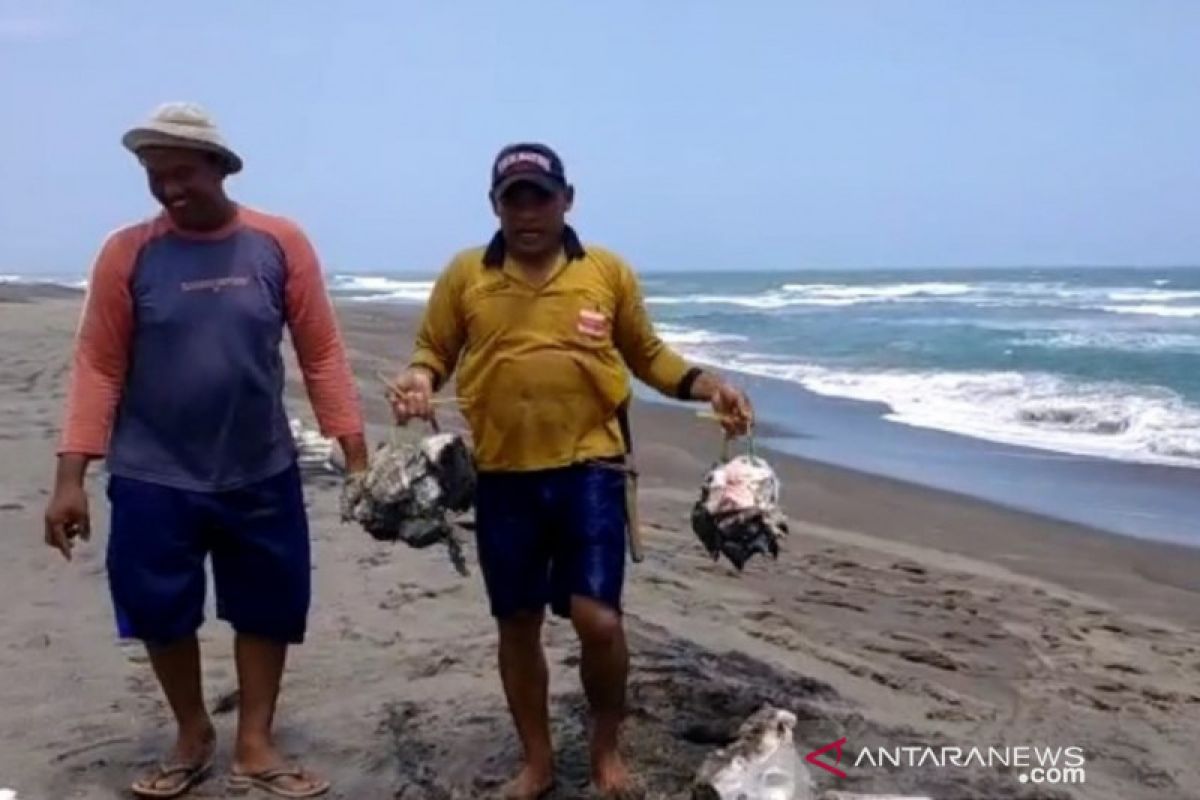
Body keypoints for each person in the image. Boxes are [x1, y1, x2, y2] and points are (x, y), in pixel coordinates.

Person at [388, 143, 753, 799]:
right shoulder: (465, 274)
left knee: (599, 619)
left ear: (566, 199)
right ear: (495, 205)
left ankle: (606, 750)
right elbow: (432, 352)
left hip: (591, 469)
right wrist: (416, 379)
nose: (527, 212)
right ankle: (538, 763)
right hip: (502, 476)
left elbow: (647, 356)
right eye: (513, 199)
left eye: (541, 197)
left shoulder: (604, 272)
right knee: (518, 622)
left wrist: (710, 387)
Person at [43, 102, 367, 799]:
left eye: (182, 173)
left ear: (220, 167)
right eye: (155, 176)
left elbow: (322, 353)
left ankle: (256, 743)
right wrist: (71, 476)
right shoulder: (128, 253)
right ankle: (192, 733)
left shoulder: (279, 243)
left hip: (261, 467)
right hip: (152, 472)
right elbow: (98, 365)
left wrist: (355, 454)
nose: (168, 189)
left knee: (268, 606)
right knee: (159, 608)